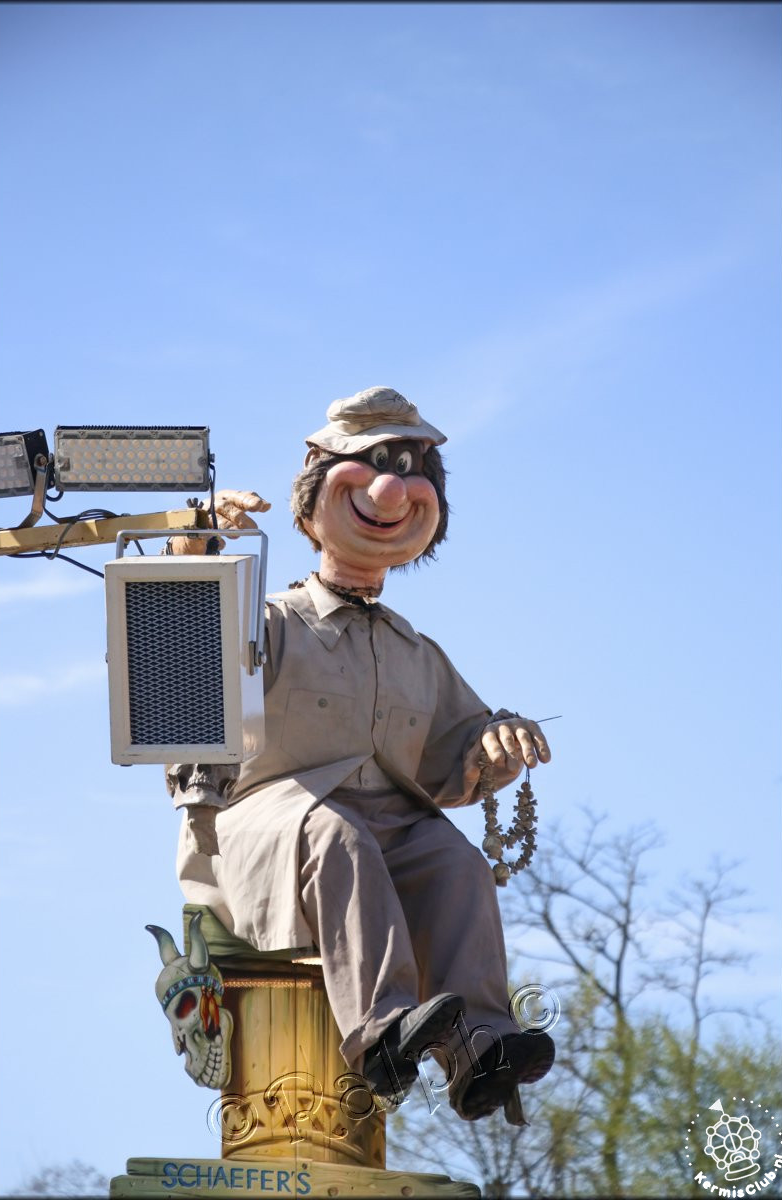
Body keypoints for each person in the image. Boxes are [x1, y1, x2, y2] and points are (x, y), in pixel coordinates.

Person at [171, 386, 554, 1123]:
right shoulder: (267, 623)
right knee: (337, 836)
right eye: (371, 465)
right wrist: (193, 551)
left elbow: (456, 758)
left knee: (456, 864)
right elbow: (182, 661)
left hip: (387, 833)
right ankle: (382, 1032)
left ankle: (481, 1047)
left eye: (412, 471)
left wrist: (497, 743)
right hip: (269, 824)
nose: (391, 490)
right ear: (314, 495)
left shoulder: (416, 652)